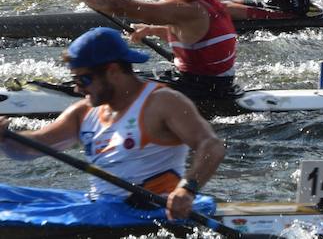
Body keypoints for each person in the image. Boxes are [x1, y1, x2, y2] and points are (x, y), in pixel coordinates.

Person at [0, 27, 224, 223]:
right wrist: (5, 137)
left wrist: (187, 189)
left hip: (149, 210)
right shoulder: (84, 111)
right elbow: (30, 149)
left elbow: (211, 145)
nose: (77, 89)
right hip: (102, 206)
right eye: (74, 81)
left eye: (83, 80)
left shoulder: (163, 102)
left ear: (113, 71)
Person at [50, 0, 237, 100]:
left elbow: (120, 6)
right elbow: (198, 38)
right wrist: (152, 30)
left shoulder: (188, 10)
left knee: (104, 81)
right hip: (216, 83)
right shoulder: (211, 3)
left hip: (198, 89)